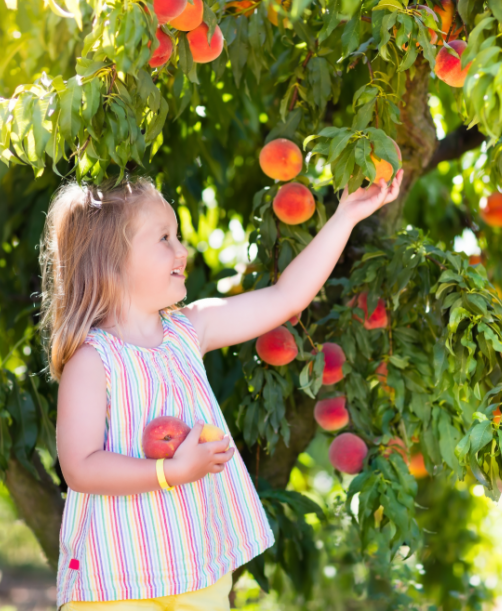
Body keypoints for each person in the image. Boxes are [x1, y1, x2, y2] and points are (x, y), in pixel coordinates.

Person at [40, 169, 404, 610]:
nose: (183, 250)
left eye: (177, 236)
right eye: (164, 239)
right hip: (118, 576)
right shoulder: (92, 361)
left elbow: (286, 297)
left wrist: (345, 216)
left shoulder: (189, 330)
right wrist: (170, 472)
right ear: (111, 260)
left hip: (198, 567)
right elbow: (80, 468)